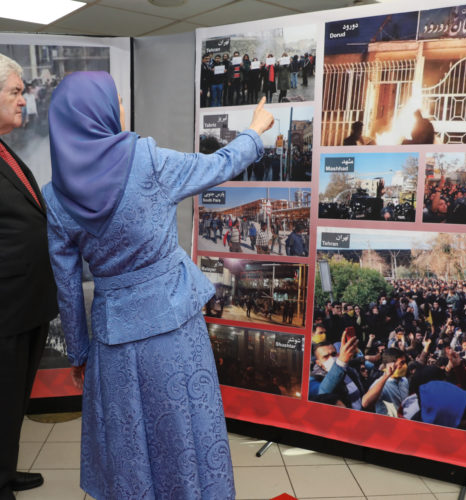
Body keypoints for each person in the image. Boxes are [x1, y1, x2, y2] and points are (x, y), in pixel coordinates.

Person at [43, 72, 274, 500]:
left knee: (131, 447)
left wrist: (79, 353)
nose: (124, 108)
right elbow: (218, 164)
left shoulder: (54, 198)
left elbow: (68, 289)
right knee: (184, 433)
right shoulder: (147, 160)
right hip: (173, 328)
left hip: (112, 342)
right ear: (107, 111)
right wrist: (255, 131)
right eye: (118, 99)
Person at [0, 54, 58, 500]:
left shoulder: (6, 149)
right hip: (5, 308)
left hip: (26, 304)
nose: (25, 102)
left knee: (14, 401)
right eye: (15, 93)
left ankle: (5, 470)